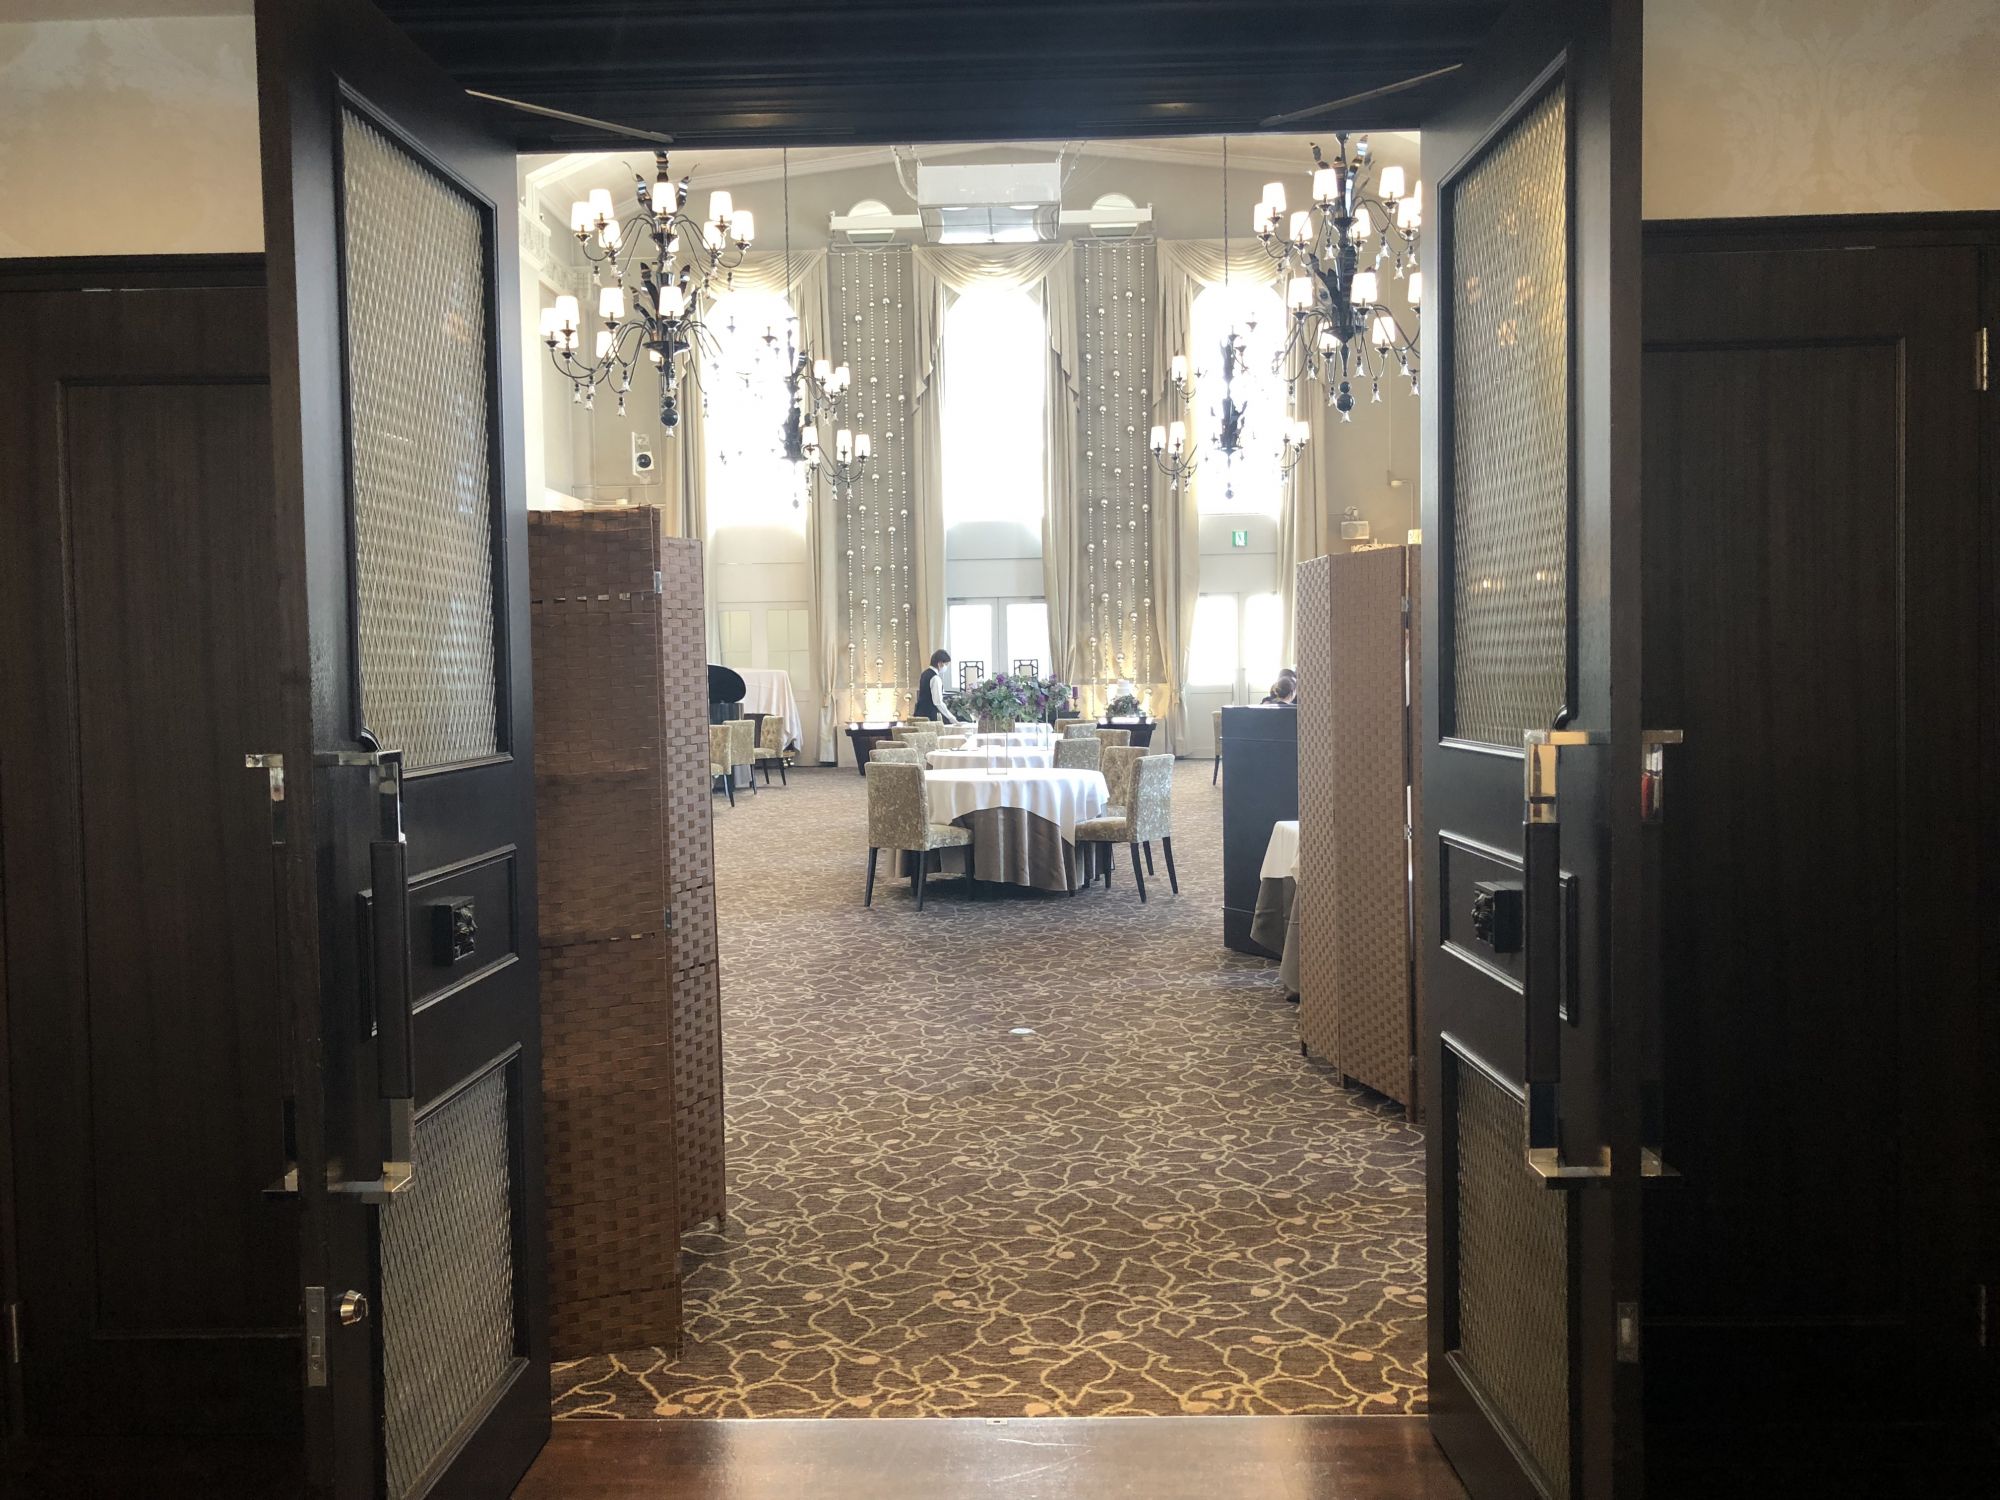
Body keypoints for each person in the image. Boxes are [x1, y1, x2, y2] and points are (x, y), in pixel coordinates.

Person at [914, 648, 959, 722]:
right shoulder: (935, 678)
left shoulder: (924, 674)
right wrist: (952, 718)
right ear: (940, 663)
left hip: (919, 713)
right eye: (946, 664)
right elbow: (938, 702)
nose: (946, 667)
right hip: (930, 716)